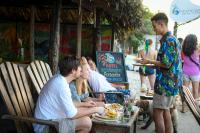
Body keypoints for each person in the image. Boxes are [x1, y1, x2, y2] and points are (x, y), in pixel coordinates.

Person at [34, 56, 104, 133]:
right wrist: (95, 109)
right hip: (46, 126)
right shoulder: (61, 85)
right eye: (79, 67)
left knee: (86, 115)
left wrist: (85, 104)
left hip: (53, 119)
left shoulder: (60, 79)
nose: (81, 69)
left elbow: (69, 104)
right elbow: (73, 114)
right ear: (73, 71)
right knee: (86, 122)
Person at [139, 13, 182, 133]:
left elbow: (166, 64)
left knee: (157, 113)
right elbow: (167, 64)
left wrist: (149, 61)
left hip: (165, 84)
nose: (154, 29)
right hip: (170, 84)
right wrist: (151, 63)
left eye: (154, 26)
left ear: (161, 24)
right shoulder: (173, 40)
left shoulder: (168, 40)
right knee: (166, 111)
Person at [182, 34, 200, 100]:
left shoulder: (183, 49)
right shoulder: (197, 49)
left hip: (185, 71)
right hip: (195, 72)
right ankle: (195, 107)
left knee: (185, 91)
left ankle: (183, 107)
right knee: (195, 91)